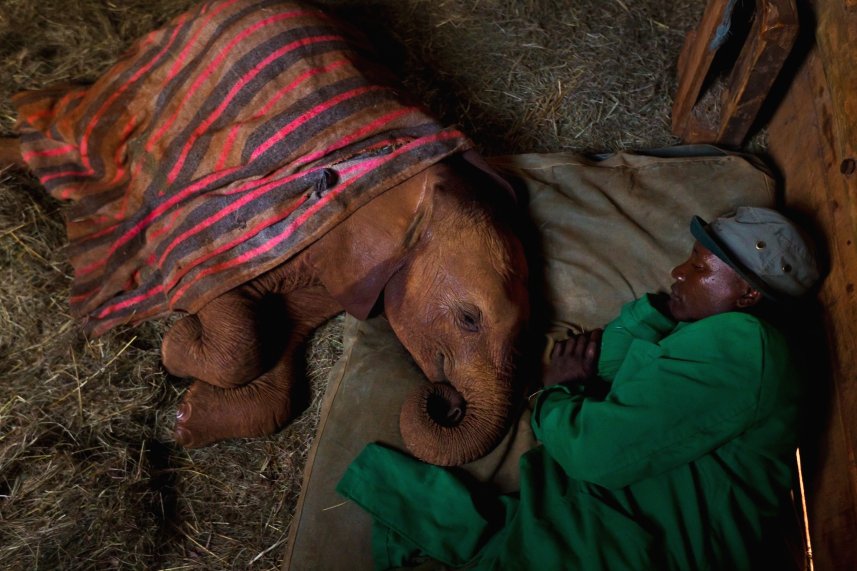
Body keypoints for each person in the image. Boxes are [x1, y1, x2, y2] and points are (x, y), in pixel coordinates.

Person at [336, 206, 820, 571]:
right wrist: (655, 314)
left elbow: (597, 453)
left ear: (749, 294)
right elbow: (601, 365)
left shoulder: (744, 343)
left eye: (699, 267)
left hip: (632, 546)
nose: (678, 271)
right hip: (600, 524)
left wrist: (547, 398)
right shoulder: (704, 337)